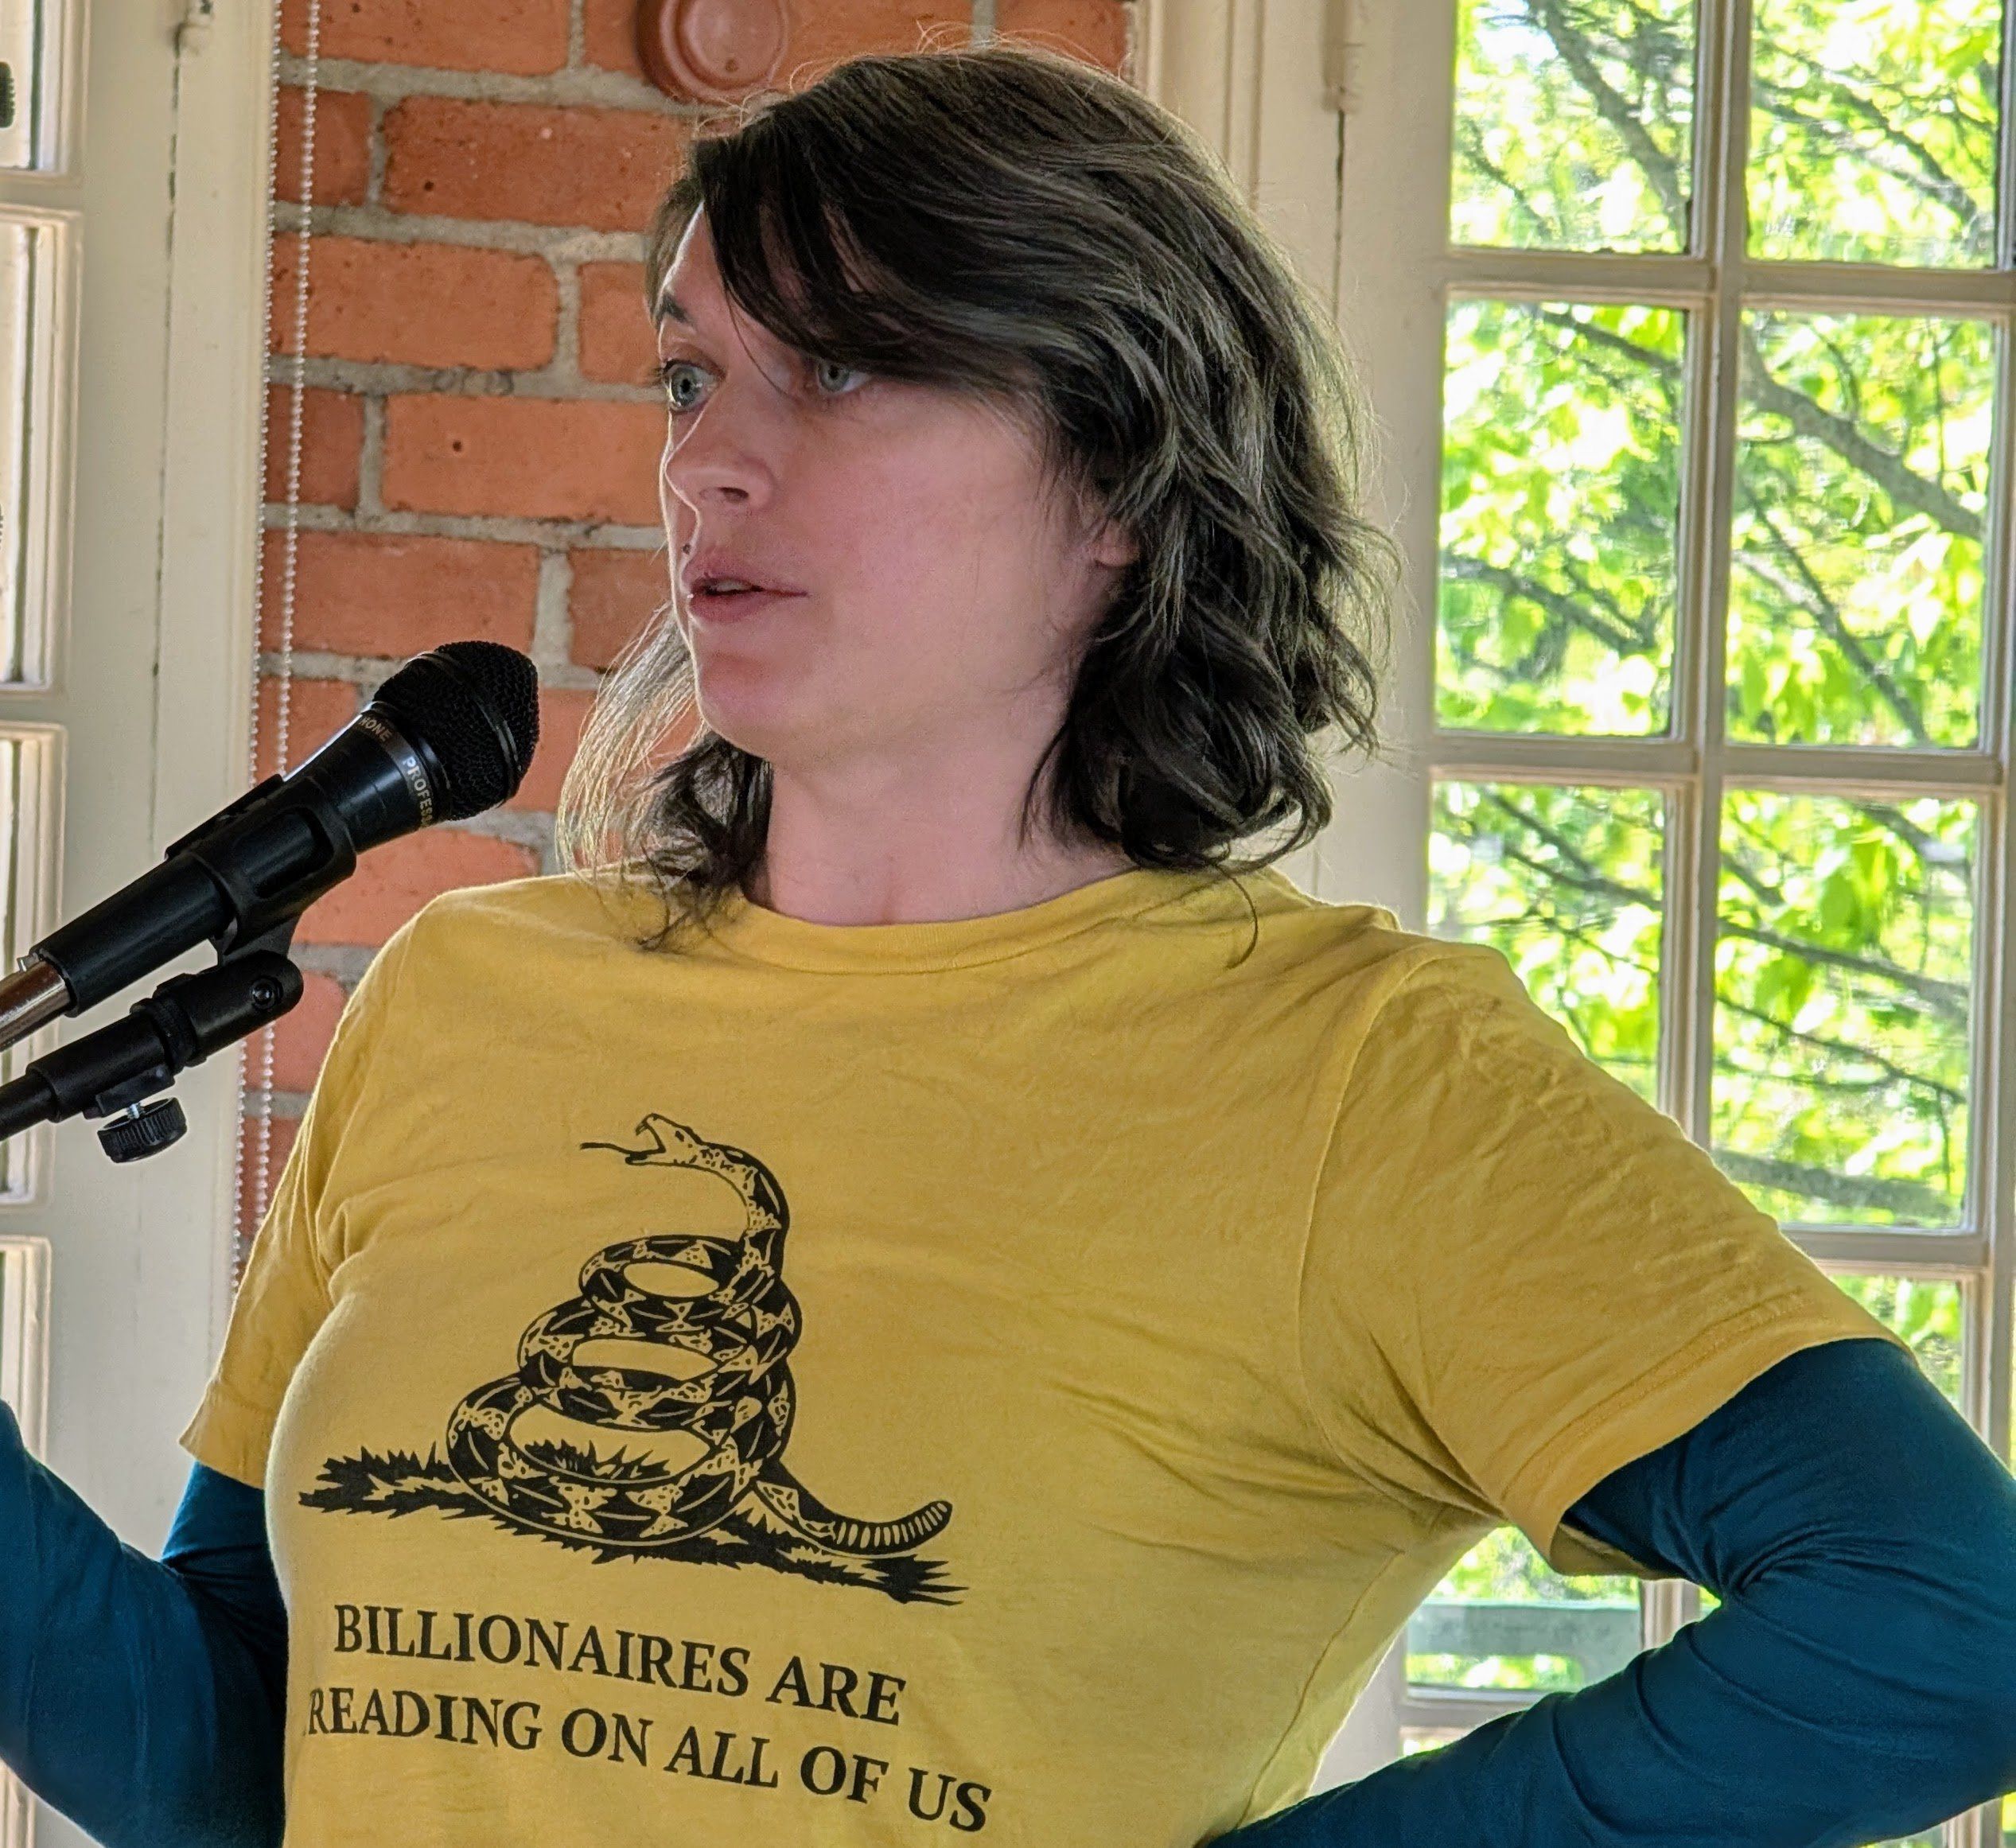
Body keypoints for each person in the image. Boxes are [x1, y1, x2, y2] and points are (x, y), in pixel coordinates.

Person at [2, 41, 2014, 1848]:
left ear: (1120, 478)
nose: (704, 453)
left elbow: (1947, 1621)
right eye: (695, 372)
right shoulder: (469, 994)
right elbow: (238, 1768)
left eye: (848, 365)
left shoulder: (1365, 1082)